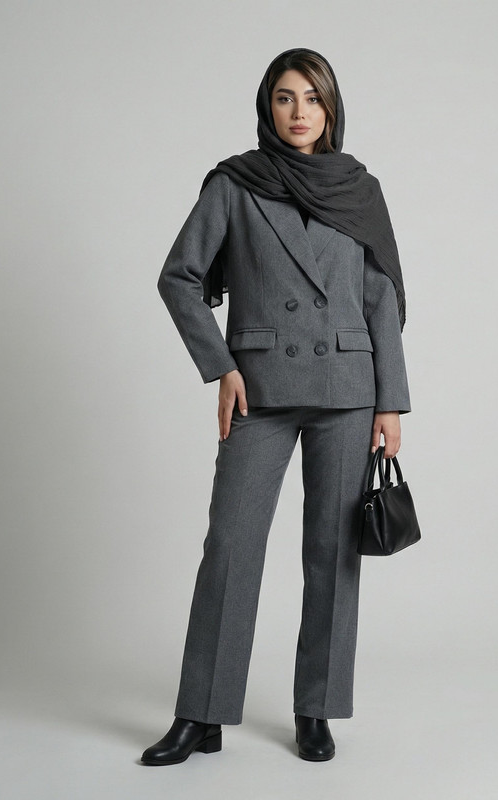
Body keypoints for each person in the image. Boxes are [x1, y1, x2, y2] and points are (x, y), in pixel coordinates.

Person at [141, 47, 411, 765]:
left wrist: (391, 402)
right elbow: (179, 277)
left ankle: (316, 708)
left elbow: (380, 297)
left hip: (348, 390)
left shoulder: (359, 189)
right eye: (286, 97)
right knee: (230, 546)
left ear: (331, 108)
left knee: (333, 553)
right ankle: (201, 714)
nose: (299, 112)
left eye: (313, 98)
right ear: (268, 105)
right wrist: (221, 366)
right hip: (260, 388)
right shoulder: (235, 183)